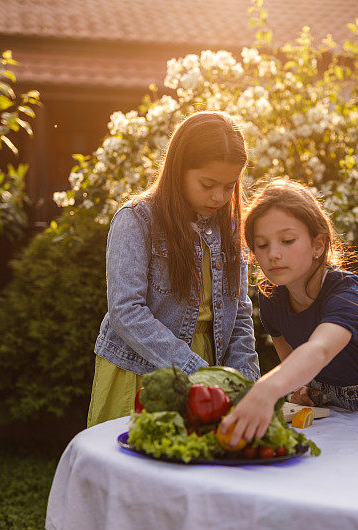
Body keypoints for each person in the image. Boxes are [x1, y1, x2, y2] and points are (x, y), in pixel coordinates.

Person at [87, 111, 259, 427]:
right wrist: (197, 371)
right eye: (208, 184)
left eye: (229, 185)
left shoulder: (231, 229)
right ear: (178, 169)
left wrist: (245, 383)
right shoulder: (136, 220)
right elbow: (127, 311)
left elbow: (240, 314)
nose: (219, 197)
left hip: (206, 372)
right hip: (142, 371)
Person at [219, 178, 358, 445]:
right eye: (262, 244)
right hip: (328, 399)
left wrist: (266, 390)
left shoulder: (348, 295)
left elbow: (320, 350)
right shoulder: (270, 296)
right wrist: (300, 387)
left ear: (318, 244)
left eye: (287, 240)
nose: (273, 254)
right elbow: (291, 359)